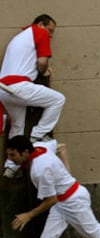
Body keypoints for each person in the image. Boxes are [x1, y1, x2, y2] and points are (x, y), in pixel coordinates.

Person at [0, 14, 66, 142]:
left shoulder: (20, 37)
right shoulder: (40, 32)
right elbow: (42, 63)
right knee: (58, 100)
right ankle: (38, 134)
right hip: (18, 86)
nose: (50, 35)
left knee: (17, 127)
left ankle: (12, 162)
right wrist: (45, 71)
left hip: (3, 90)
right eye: (50, 31)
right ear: (41, 24)